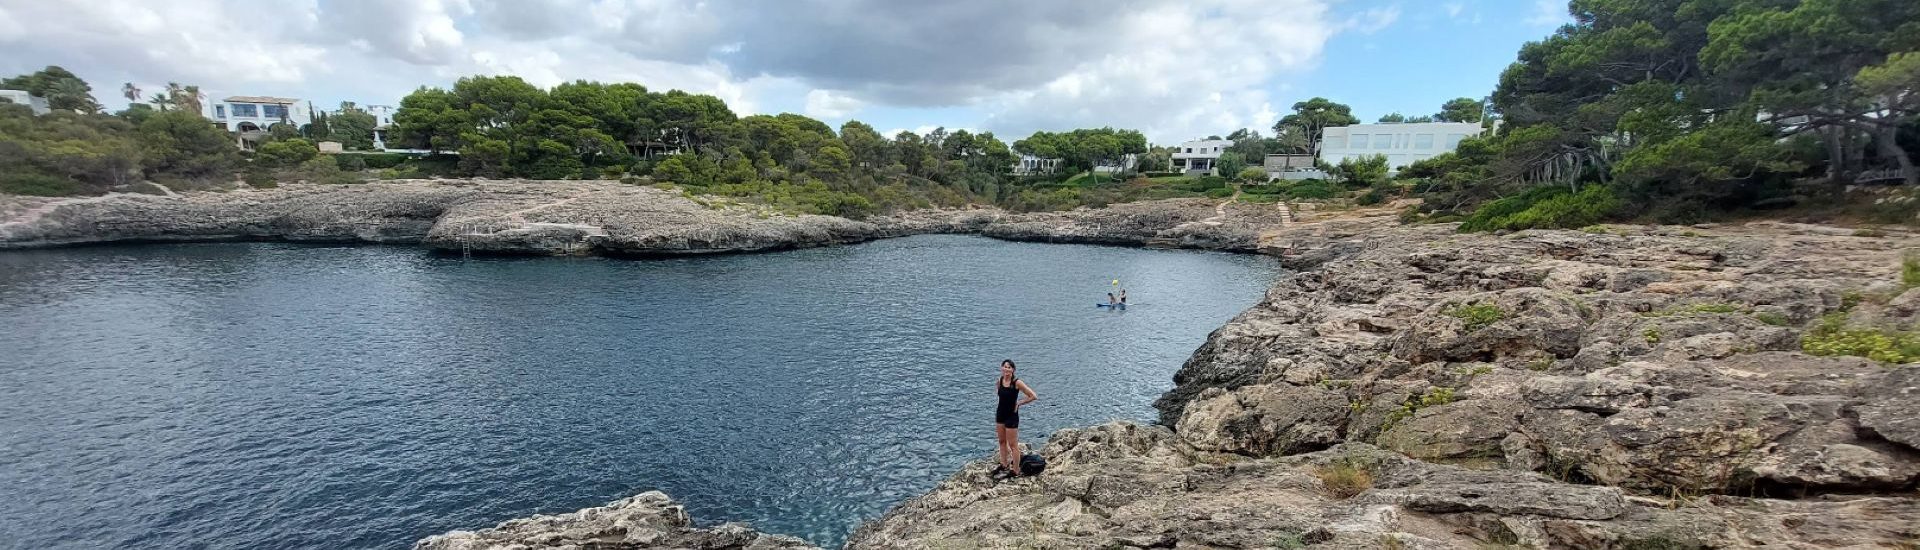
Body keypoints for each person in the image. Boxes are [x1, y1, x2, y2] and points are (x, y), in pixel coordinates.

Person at [993, 359, 1038, 478]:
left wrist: (1019, 403)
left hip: (1011, 416)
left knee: (1013, 445)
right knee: (1002, 441)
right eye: (1005, 367)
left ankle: (1015, 470)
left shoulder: (1017, 383)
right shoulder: (999, 381)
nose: (1006, 369)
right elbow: (1000, 396)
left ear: (1013, 370)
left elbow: (1033, 396)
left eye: (1009, 367)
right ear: (1001, 368)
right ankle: (1004, 464)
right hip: (1000, 414)